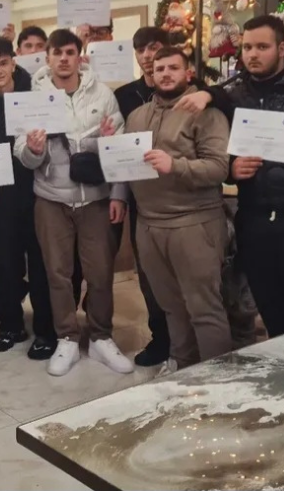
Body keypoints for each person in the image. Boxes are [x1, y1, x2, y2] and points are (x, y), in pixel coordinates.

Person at [175, 16, 284, 339]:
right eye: (247, 47)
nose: (252, 54)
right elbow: (221, 147)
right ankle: (283, 366)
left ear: (282, 49)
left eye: (262, 47)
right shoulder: (235, 93)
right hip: (256, 218)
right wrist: (232, 168)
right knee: (271, 307)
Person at [16, 28, 134, 377]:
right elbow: (23, 154)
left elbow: (120, 148)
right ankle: (66, 337)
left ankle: (101, 337)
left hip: (96, 199)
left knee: (100, 273)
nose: (64, 59)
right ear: (47, 58)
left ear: (80, 57)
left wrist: (117, 191)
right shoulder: (33, 98)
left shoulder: (102, 94)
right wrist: (34, 149)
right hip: (51, 199)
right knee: (57, 274)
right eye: (57, 53)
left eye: (70, 52)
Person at [125, 48, 231, 374]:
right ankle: (183, 370)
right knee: (171, 307)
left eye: (173, 67)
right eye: (159, 68)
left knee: (204, 309)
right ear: (151, 73)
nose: (165, 73)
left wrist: (176, 165)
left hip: (193, 222)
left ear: (188, 73)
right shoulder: (137, 116)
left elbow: (219, 168)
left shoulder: (205, 112)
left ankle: (216, 380)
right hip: (148, 223)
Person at [0, 36, 57, 359]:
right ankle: (10, 325)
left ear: (13, 62)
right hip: (3, 193)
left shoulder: (35, 92)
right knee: (4, 261)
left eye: (3, 63)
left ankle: (46, 329)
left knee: (40, 261)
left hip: (38, 188)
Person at [110, 26, 178, 367]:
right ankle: (160, 337)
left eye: (154, 47)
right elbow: (119, 149)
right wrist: (119, 195)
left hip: (180, 196)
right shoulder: (124, 96)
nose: (148, 56)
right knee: (150, 275)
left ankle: (187, 342)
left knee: (183, 276)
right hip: (141, 197)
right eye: (141, 50)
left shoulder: (189, 92)